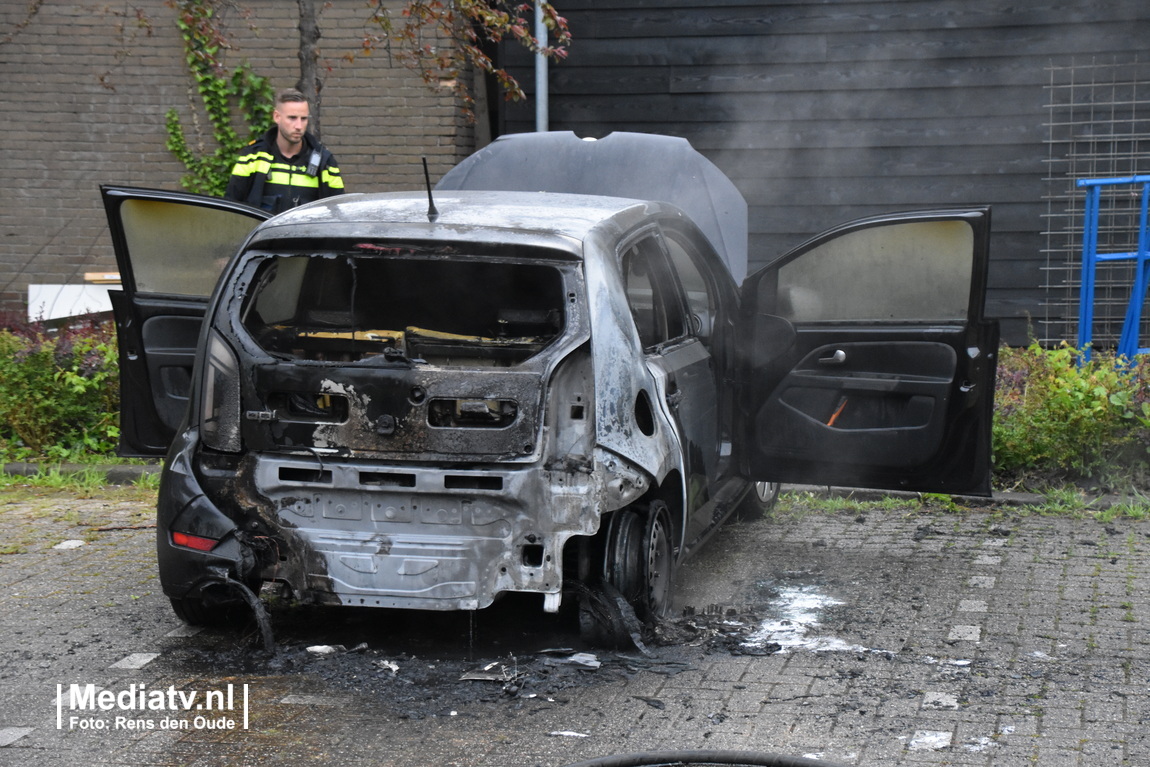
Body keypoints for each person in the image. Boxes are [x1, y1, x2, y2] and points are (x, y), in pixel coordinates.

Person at [225, 88, 344, 213]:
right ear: (277, 117)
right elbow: (232, 209)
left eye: (303, 119)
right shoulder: (252, 158)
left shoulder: (324, 162)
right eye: (292, 118)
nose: (299, 126)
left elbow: (338, 213)